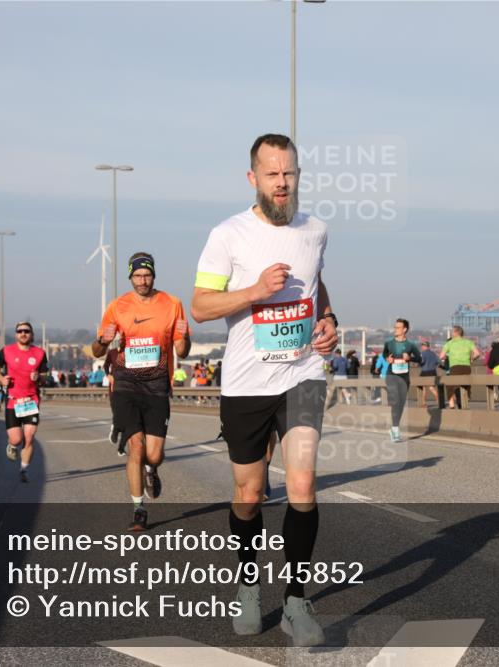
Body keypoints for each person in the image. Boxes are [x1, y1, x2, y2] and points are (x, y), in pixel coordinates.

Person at [191, 133, 337, 647]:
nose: (282, 182)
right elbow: (201, 305)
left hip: (301, 374)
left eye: (290, 173)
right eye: (272, 174)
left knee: (301, 486)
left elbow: (316, 284)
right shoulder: (228, 234)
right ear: (253, 178)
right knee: (249, 494)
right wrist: (254, 291)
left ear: (299, 175)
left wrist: (328, 320)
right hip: (247, 384)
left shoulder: (315, 230)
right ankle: (248, 585)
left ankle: (297, 602)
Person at [91, 252, 191, 529]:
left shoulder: (172, 304)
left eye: (147, 275)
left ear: (154, 275)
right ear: (130, 277)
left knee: (154, 453)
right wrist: (103, 339)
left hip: (158, 384)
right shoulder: (117, 306)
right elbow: (97, 351)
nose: (142, 280)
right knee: (136, 447)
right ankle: (138, 509)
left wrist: (185, 338)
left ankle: (152, 469)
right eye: (137, 276)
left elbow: (182, 349)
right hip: (126, 384)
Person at [0, 322, 48, 483]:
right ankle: (12, 445)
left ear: (31, 334)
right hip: (13, 401)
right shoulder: (7, 351)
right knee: (17, 439)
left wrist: (39, 378)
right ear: (16, 334)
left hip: (31, 400)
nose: (23, 333)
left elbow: (44, 375)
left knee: (29, 437)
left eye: (26, 331)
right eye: (20, 331)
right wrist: (2, 379)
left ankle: (24, 469)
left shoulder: (39, 353)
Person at [382, 319, 422, 442]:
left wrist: (410, 358)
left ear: (404, 329)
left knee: (400, 403)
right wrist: (387, 358)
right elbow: (384, 355)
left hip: (404, 376)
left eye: (398, 327)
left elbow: (419, 359)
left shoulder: (411, 345)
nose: (395, 329)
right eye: (395, 327)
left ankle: (394, 428)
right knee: (395, 401)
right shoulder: (389, 344)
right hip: (391, 375)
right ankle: (396, 430)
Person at [440, 326, 480, 409]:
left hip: (455, 367)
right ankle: (465, 401)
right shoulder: (469, 342)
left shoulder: (449, 343)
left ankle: (455, 405)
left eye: (452, 332)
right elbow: (477, 354)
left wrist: (448, 357)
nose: (451, 333)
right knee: (465, 385)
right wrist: (472, 359)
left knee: (452, 386)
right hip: (466, 367)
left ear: (455, 333)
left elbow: (441, 356)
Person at [418, 341, 441, 406]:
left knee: (422, 387)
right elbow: (438, 361)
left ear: (424, 346)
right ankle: (438, 399)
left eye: (422, 346)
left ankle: (423, 402)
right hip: (433, 371)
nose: (421, 347)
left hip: (425, 371)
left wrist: (419, 363)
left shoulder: (423, 353)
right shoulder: (434, 353)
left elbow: (422, 361)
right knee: (431, 387)